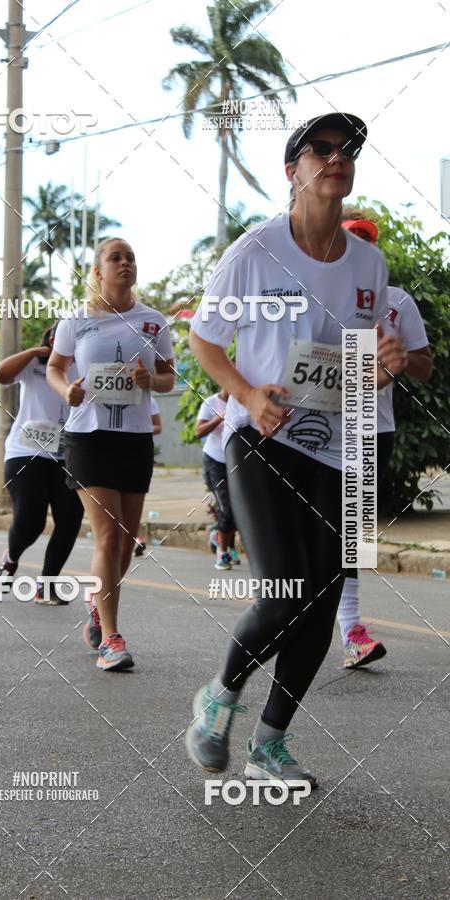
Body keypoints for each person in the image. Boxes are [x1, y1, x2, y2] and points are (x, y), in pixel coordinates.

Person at [185, 113, 407, 787]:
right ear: (293, 171)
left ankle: (270, 745)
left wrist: (382, 369)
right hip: (261, 440)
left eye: (347, 150)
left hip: (337, 451)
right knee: (286, 592)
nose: (337, 157)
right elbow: (204, 340)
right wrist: (247, 395)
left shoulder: (369, 264)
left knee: (324, 596)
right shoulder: (255, 250)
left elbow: (354, 366)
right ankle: (218, 698)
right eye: (321, 149)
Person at [47, 237, 175, 671]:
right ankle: (112, 640)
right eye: (115, 258)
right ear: (98, 270)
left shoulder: (154, 322)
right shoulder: (77, 320)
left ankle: (96, 604)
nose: (125, 263)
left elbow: (168, 377)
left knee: (124, 542)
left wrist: (150, 381)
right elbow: (55, 367)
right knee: (107, 535)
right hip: (88, 436)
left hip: (134, 438)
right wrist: (66, 389)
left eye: (131, 258)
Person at [337, 211, 432, 668]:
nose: (361, 246)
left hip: (373, 428)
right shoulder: (313, 296)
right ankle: (306, 617)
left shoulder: (397, 302)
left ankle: (350, 629)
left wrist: (399, 360)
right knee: (317, 532)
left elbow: (425, 365)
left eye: (367, 239)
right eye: (351, 238)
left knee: (352, 533)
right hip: (316, 430)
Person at [0, 325, 84, 606]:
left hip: (69, 454)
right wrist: (35, 351)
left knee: (70, 520)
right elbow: (1, 375)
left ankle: (46, 585)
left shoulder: (84, 365)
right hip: (26, 452)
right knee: (30, 523)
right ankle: (11, 557)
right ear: (53, 339)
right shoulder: (34, 364)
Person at [195, 389, 240, 569]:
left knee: (238, 508)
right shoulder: (211, 402)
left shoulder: (242, 401)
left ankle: (227, 543)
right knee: (227, 508)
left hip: (236, 462)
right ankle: (222, 553)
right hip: (215, 462)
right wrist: (219, 418)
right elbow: (199, 431)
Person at [135, 397, 162, 557]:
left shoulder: (148, 399)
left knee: (129, 503)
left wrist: (139, 428)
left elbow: (158, 427)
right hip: (107, 454)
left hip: (137, 454)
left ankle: (138, 538)